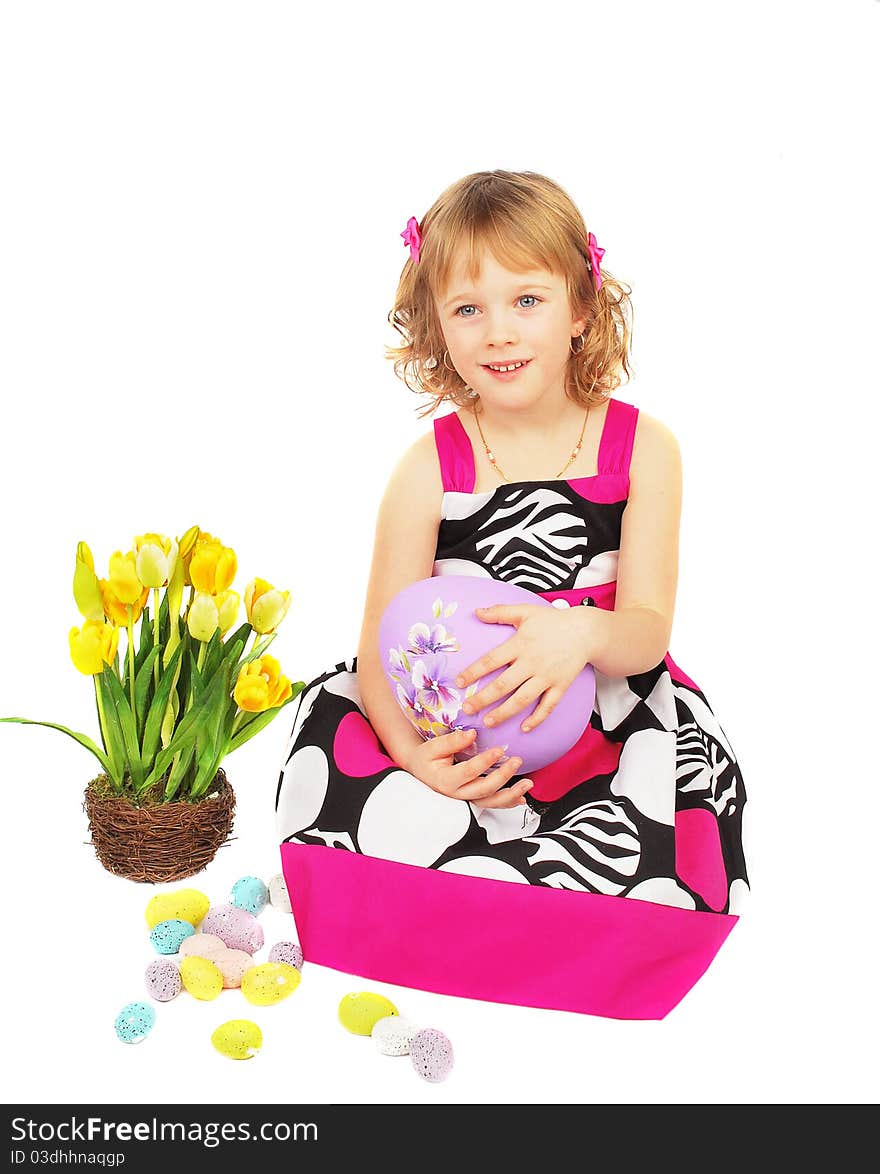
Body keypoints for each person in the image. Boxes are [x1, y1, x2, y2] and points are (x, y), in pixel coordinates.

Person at [275, 169, 749, 1020]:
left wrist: (581, 638)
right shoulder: (430, 468)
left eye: (526, 300)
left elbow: (644, 630)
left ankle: (581, 935)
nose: (498, 332)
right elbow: (382, 644)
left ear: (582, 309)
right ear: (436, 329)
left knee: (659, 824)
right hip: (449, 727)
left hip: (600, 717)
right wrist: (418, 757)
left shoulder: (646, 450)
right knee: (347, 784)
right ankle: (432, 902)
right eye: (468, 309)